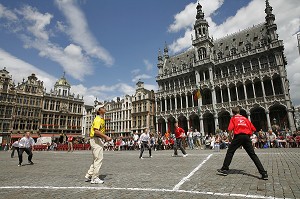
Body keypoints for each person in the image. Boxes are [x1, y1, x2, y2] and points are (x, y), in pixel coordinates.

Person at [217, 107, 268, 180]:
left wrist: (230, 136)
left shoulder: (233, 118)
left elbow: (230, 129)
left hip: (238, 136)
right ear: (239, 112)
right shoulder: (245, 119)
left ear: (233, 112)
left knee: (230, 152)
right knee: (253, 155)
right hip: (246, 137)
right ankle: (263, 173)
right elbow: (253, 129)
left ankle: (225, 169)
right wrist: (248, 135)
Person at [85, 104, 112, 184]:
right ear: (99, 110)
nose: (104, 108)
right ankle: (95, 178)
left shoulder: (101, 119)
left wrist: (103, 138)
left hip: (97, 139)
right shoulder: (98, 119)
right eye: (103, 108)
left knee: (95, 159)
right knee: (99, 159)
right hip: (96, 139)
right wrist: (106, 137)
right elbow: (96, 131)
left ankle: (89, 175)